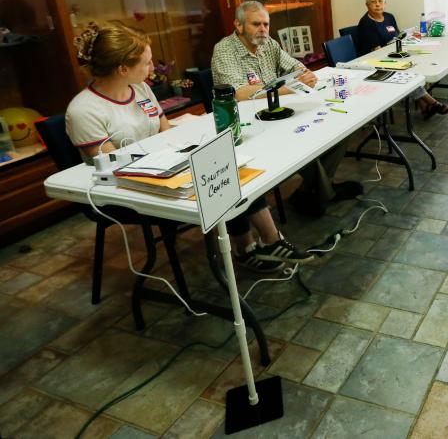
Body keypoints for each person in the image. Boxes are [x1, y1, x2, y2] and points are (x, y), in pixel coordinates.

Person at [66, 21, 311, 273]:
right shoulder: (85, 111)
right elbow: (114, 167)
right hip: (129, 185)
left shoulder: (138, 89)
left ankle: (261, 243)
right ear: (123, 69)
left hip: (163, 165)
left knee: (226, 165)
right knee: (218, 176)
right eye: (147, 63)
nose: (153, 68)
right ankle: (254, 245)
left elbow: (164, 130)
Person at [212, 0, 362, 216]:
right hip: (247, 124)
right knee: (299, 140)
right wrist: (287, 89)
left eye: (266, 24)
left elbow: (295, 66)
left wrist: (305, 75)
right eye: (256, 24)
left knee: (341, 125)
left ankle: (309, 191)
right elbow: (238, 93)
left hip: (277, 112)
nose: (263, 29)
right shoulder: (225, 50)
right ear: (238, 25)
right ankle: (323, 192)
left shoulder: (268, 43)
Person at [355, 0, 448, 118]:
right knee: (406, 72)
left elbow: (397, 37)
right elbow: (376, 52)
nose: (377, 4)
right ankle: (432, 103)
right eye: (373, 2)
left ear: (385, 3)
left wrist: (409, 39)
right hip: (374, 64)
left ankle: (425, 107)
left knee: (414, 66)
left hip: (393, 56)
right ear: (367, 5)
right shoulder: (366, 23)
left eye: (380, 1)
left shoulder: (389, 17)